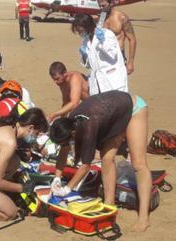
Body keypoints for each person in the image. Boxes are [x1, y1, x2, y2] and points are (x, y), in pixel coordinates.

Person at [49, 90, 152, 232]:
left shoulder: (88, 127)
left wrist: (67, 189)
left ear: (73, 134)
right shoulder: (70, 122)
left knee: (138, 163)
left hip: (134, 109)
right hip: (115, 114)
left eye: (66, 142)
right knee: (107, 158)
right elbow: (64, 151)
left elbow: (86, 166)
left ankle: (144, 218)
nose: (67, 145)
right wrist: (57, 178)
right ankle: (109, 204)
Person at [71, 14, 127, 95]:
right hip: (98, 81)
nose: (79, 33)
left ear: (88, 26)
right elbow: (89, 65)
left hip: (113, 78)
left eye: (81, 30)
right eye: (78, 31)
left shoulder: (106, 34)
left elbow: (112, 54)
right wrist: (84, 57)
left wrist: (103, 41)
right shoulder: (86, 41)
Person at [97, 0, 137, 75]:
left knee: (118, 84)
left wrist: (131, 61)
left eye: (103, 6)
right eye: (99, 6)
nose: (101, 8)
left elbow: (132, 39)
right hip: (104, 56)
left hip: (118, 56)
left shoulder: (121, 18)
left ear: (111, 3)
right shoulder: (101, 17)